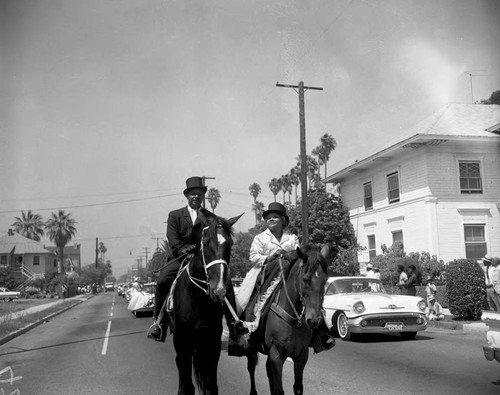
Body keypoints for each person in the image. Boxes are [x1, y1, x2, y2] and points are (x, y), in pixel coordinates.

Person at [148, 176, 246, 346]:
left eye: (199, 194)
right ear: (187, 196)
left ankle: (234, 324)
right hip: (181, 257)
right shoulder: (175, 215)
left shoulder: (210, 218)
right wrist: (182, 249)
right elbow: (172, 238)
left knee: (226, 282)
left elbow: (215, 240)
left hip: (203, 259)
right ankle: (159, 322)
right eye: (192, 194)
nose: (195, 197)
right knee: (163, 279)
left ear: (203, 196)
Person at [236, 202, 334, 355]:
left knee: (310, 292)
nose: (271, 219)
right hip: (266, 271)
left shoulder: (292, 238)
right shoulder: (260, 238)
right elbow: (253, 256)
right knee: (244, 298)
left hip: (289, 272)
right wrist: (270, 257)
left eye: (275, 217)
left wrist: (289, 256)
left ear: (283, 220)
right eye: (269, 217)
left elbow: (299, 255)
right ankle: (243, 330)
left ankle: (320, 334)